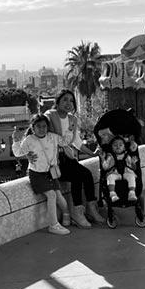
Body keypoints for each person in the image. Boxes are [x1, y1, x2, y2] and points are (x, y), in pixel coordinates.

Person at [44, 89, 104, 228]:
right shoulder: (49, 116)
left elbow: (76, 142)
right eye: (65, 99)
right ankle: (77, 214)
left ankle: (91, 209)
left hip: (67, 158)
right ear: (57, 102)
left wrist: (92, 153)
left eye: (71, 100)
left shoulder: (72, 119)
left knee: (87, 175)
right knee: (77, 176)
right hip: (55, 160)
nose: (68, 103)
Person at [12, 114, 71, 236]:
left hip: (51, 173)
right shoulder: (29, 140)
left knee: (60, 197)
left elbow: (65, 142)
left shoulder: (53, 137)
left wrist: (70, 129)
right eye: (38, 126)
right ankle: (53, 225)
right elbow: (18, 152)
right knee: (52, 195)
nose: (42, 129)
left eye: (44, 126)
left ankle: (66, 215)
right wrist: (16, 141)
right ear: (33, 128)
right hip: (37, 174)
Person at [99, 136, 139, 202]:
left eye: (120, 145)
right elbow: (105, 167)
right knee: (110, 177)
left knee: (131, 176)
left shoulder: (127, 156)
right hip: (115, 173)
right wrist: (103, 159)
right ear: (112, 147)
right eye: (115, 145)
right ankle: (112, 194)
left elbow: (133, 168)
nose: (118, 146)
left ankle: (132, 193)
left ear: (124, 147)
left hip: (126, 172)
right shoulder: (110, 156)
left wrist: (133, 163)